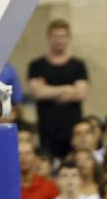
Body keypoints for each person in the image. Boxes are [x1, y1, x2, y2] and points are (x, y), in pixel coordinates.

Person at [28, 19, 90, 159]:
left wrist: (48, 90)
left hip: (73, 129)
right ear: (49, 37)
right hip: (47, 128)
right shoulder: (37, 66)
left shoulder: (77, 65)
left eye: (62, 36)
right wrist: (68, 88)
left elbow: (80, 94)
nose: (59, 40)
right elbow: (37, 93)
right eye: (55, 36)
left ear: (68, 38)